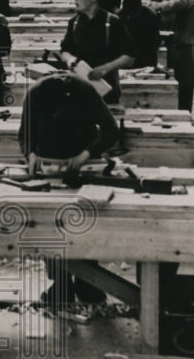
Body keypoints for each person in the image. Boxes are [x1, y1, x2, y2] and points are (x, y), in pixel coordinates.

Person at [18, 73, 119, 306]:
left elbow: (111, 130)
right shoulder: (34, 95)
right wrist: (30, 154)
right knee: (52, 222)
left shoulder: (85, 91)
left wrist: (86, 154)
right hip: (49, 162)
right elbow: (24, 134)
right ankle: (60, 285)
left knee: (86, 218)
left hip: (82, 159)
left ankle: (88, 281)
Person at [59, 0, 137, 101]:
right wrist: (71, 60)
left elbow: (129, 56)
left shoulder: (112, 22)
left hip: (106, 93)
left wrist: (105, 69)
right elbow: (64, 51)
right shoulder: (74, 23)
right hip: (79, 92)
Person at [117, 0, 160, 68]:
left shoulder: (149, 17)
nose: (129, 16)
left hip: (146, 59)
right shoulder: (120, 15)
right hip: (127, 57)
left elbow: (152, 44)